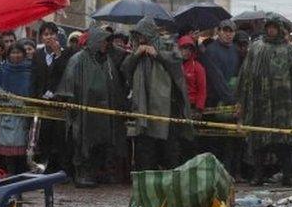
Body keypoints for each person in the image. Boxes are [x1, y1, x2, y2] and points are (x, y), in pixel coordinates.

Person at [237, 12, 292, 186]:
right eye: (268, 27)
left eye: (274, 27)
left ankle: (286, 175)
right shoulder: (256, 47)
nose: (271, 30)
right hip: (260, 103)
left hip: (284, 105)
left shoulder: (290, 49)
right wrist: (242, 99)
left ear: (280, 29)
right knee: (259, 141)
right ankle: (258, 175)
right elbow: (246, 74)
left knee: (285, 141)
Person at [55, 27, 129, 187]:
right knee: (83, 143)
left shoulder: (107, 61)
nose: (106, 44)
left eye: (107, 41)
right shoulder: (78, 59)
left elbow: (115, 84)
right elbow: (68, 84)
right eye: (103, 41)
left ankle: (98, 172)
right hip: (84, 111)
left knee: (103, 143)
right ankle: (82, 174)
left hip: (104, 112)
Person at [121, 15, 192, 171]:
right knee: (145, 148)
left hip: (166, 108)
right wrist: (136, 55)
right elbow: (125, 69)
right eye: (137, 35)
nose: (140, 38)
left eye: (142, 34)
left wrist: (157, 54)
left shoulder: (167, 45)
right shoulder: (137, 51)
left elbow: (176, 61)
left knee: (169, 148)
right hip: (143, 106)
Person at [200, 19, 242, 176]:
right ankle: (213, 174)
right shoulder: (211, 50)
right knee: (214, 140)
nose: (228, 33)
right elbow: (215, 77)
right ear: (218, 31)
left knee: (230, 141)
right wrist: (230, 99)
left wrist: (235, 100)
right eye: (225, 30)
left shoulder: (235, 51)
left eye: (231, 31)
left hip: (231, 103)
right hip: (213, 101)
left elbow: (237, 77)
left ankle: (229, 173)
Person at [30, 21, 71, 172]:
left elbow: (65, 74)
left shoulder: (65, 52)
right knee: (43, 137)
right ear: (41, 37)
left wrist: (58, 54)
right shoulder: (37, 55)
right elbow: (34, 78)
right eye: (46, 34)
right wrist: (36, 97)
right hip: (41, 101)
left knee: (60, 137)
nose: (49, 37)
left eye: (52, 34)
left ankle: (62, 169)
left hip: (59, 102)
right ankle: (44, 168)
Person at [0, 45, 34, 174]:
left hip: (24, 114)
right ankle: (11, 174)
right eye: (13, 53)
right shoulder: (3, 69)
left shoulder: (30, 69)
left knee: (23, 147)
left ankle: (22, 176)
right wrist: (6, 96)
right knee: (8, 149)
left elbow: (33, 88)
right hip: (7, 113)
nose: (16, 55)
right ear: (8, 55)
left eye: (19, 53)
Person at [178, 36, 207, 113]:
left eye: (190, 49)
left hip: (192, 105)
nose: (187, 52)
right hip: (176, 104)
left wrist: (199, 108)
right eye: (184, 48)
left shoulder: (197, 67)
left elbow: (202, 90)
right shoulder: (173, 64)